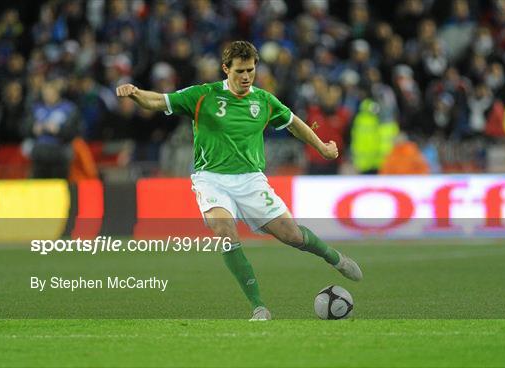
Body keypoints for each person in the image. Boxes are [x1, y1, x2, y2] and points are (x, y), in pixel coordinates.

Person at [116, 41, 362, 320]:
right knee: (224, 230)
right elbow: (159, 100)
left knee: (291, 235)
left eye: (251, 70)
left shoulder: (264, 101)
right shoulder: (203, 95)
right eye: (240, 71)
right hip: (211, 179)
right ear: (226, 69)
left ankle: (336, 259)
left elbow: (294, 123)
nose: (246, 77)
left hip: (251, 181)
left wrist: (322, 147)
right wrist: (135, 94)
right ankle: (259, 307)